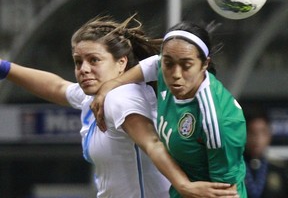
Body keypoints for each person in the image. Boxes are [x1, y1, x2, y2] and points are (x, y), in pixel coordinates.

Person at [0, 15, 240, 198]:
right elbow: (56, 87)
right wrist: (6, 69)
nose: (83, 68)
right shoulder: (94, 97)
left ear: (121, 63)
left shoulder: (121, 97)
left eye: (94, 60)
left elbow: (152, 143)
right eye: (78, 61)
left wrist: (183, 185)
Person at [91, 20, 248, 198]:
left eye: (186, 65)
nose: (176, 74)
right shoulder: (165, 70)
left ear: (205, 64)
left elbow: (225, 192)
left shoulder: (217, 121)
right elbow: (153, 64)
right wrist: (110, 85)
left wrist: (185, 187)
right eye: (169, 63)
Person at [243, 105, 288, 198]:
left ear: (269, 135)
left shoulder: (280, 170)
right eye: (252, 132)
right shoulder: (234, 170)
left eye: (262, 132)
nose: (257, 139)